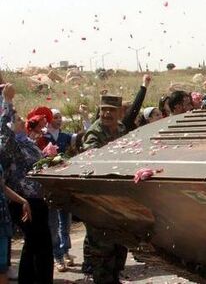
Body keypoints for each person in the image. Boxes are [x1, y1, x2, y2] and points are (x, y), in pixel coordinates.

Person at [0, 84, 54, 284]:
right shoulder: (9, 143)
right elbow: (3, 129)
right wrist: (7, 100)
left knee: (38, 244)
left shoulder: (27, 142)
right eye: (19, 119)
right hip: (22, 201)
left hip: (37, 199)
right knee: (36, 242)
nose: (23, 121)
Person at [81, 95, 128, 283]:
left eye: (111, 110)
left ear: (119, 112)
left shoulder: (122, 129)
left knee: (119, 246)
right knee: (102, 251)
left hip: (119, 197)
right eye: (103, 109)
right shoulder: (94, 133)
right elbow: (93, 159)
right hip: (98, 199)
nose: (107, 113)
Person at [43, 109, 76, 272]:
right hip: (50, 185)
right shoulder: (43, 137)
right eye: (55, 117)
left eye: (60, 117)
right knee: (53, 223)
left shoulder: (65, 137)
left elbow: (82, 137)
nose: (58, 120)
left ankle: (65, 250)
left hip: (64, 183)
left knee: (66, 222)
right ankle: (57, 255)